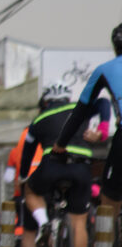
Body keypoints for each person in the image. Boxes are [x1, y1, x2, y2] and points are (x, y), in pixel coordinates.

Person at [19, 82, 107, 247]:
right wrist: (102, 128)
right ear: (68, 99)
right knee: (78, 221)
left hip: (52, 166)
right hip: (81, 167)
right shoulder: (79, 109)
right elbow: (103, 101)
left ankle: (44, 223)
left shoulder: (38, 119)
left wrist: (23, 176)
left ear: (46, 102)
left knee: (30, 190)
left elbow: (27, 153)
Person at [52, 23, 122, 218]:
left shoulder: (105, 70)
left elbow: (80, 112)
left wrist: (60, 144)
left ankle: (108, 246)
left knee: (109, 197)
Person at [5, 126, 43, 247]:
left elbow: (7, 177)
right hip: (49, 184)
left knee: (28, 232)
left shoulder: (15, 150)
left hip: (25, 189)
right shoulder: (49, 138)